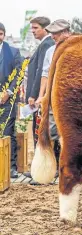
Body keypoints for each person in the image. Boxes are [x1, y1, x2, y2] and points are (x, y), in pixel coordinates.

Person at [36, 19, 72, 177]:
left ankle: (72, 166)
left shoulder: (76, 49)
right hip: (53, 97)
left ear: (66, 32)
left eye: (55, 33)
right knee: (52, 131)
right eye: (51, 33)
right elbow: (45, 74)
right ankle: (58, 166)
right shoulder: (50, 51)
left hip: (72, 99)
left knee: (71, 132)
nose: (52, 36)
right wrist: (41, 96)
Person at [23, 16, 54, 179]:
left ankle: (41, 171)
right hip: (39, 96)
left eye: (35, 28)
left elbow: (41, 73)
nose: (33, 31)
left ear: (45, 28)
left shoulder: (47, 45)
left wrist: (34, 95)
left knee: (40, 133)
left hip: (39, 97)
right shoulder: (44, 45)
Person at [0, 22, 23, 178]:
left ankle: (11, 167)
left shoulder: (14, 52)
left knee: (8, 132)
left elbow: (18, 75)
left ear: (4, 34)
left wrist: (8, 92)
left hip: (7, 99)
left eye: (0, 33)